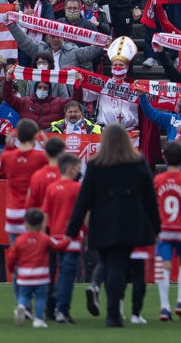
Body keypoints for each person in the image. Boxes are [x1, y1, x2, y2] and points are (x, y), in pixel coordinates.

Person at [65, 124, 160, 329]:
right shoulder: (138, 163)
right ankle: (113, 314)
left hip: (102, 223)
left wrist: (72, 229)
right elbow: (150, 198)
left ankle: (112, 311)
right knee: (117, 266)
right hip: (130, 222)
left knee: (109, 265)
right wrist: (157, 226)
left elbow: (84, 199)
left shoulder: (95, 165)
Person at [153, 142, 181, 322]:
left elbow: (154, 204)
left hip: (164, 228)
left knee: (164, 264)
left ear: (164, 158)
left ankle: (164, 307)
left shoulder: (158, 180)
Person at [8, 208, 69, 329]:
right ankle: (38, 319)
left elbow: (11, 257)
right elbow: (58, 246)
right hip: (41, 277)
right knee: (41, 297)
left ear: (25, 224)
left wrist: (11, 270)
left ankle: (21, 306)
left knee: (24, 295)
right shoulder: (45, 239)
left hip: (24, 277)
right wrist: (68, 239)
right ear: (42, 224)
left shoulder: (20, 240)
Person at [42, 153, 84, 324]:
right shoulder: (76, 188)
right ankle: (62, 308)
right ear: (70, 168)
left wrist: (44, 235)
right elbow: (83, 214)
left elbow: (45, 213)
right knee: (68, 273)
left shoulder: (52, 188)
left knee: (58, 270)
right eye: (77, 169)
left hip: (54, 235)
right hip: (71, 236)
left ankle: (52, 305)